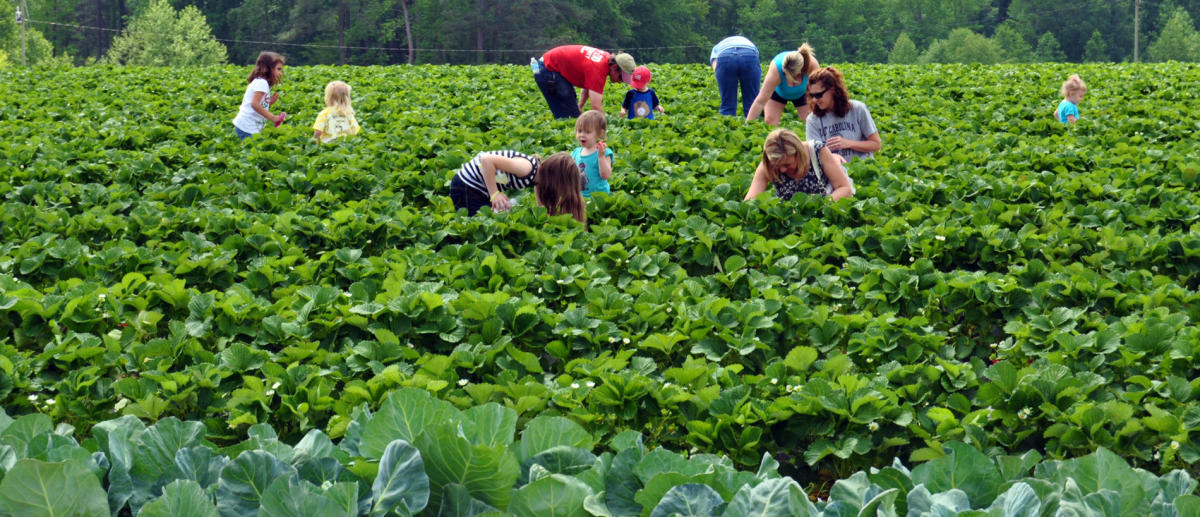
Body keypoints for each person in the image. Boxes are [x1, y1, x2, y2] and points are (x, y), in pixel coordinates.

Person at [449, 150, 586, 223]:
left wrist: (544, 217)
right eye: (561, 188)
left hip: (479, 188)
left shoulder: (538, 178)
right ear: (555, 179)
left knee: (487, 220)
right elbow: (487, 160)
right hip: (466, 185)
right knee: (476, 224)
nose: (559, 192)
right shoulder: (526, 168)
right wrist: (494, 194)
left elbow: (539, 197)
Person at [744, 128, 853, 202]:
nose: (782, 170)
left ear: (799, 153)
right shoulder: (768, 164)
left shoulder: (817, 151)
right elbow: (750, 201)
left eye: (787, 164)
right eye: (777, 165)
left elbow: (844, 188)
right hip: (791, 220)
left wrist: (819, 207)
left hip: (824, 214)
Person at [533, 45, 636, 119]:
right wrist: (605, 127)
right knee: (568, 117)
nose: (620, 81)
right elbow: (595, 106)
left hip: (551, 67)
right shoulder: (598, 69)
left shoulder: (605, 59)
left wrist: (580, 106)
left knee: (573, 112)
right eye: (621, 78)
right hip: (548, 70)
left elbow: (588, 87)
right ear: (614, 67)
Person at [805, 67, 881, 164]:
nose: (815, 100)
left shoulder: (858, 109)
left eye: (819, 95)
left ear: (832, 90)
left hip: (862, 168)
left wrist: (848, 143)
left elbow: (876, 144)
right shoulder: (812, 120)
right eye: (812, 96)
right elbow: (814, 154)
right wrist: (831, 157)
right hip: (833, 174)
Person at [744, 44, 819, 125]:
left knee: (811, 122)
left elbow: (819, 93)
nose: (784, 76)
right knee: (770, 121)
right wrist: (747, 124)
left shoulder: (812, 66)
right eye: (783, 73)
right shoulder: (776, 69)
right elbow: (760, 101)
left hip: (803, 93)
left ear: (799, 73)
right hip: (778, 93)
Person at [232, 51, 286, 140]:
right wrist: (273, 118)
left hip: (248, 127)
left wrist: (269, 102)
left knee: (254, 151)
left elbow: (258, 104)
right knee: (253, 152)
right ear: (269, 68)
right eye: (278, 69)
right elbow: (255, 104)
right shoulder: (262, 83)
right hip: (247, 128)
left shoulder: (261, 82)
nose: (280, 73)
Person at [710, 36, 760, 117]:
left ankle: (728, 123)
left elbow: (715, 65)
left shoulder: (718, 46)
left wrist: (727, 86)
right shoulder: (747, 41)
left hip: (725, 55)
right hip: (748, 53)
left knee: (727, 104)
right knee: (752, 102)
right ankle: (752, 125)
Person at [571, 110, 614, 197]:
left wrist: (601, 157)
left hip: (599, 197)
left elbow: (606, 175)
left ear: (599, 134)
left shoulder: (604, 152)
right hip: (579, 197)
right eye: (579, 131)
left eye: (587, 132)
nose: (582, 135)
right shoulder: (575, 152)